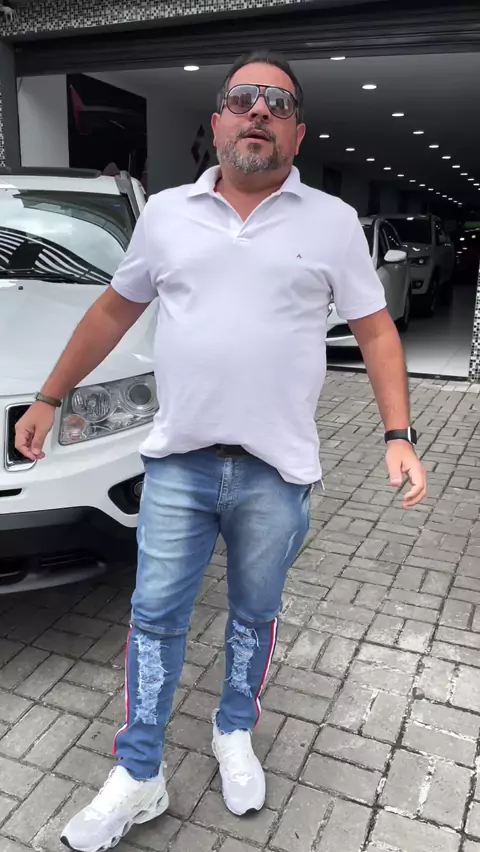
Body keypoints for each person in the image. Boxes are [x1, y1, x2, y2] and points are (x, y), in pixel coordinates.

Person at [15, 51, 426, 852]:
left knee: (254, 613)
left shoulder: (332, 223)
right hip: (179, 464)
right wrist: (49, 396)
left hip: (278, 471)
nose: (259, 110)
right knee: (154, 618)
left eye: (278, 102)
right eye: (243, 98)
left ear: (297, 133)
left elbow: (377, 331)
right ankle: (139, 772)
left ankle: (234, 729)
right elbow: (111, 311)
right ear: (217, 123)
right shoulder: (167, 214)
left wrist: (398, 434)